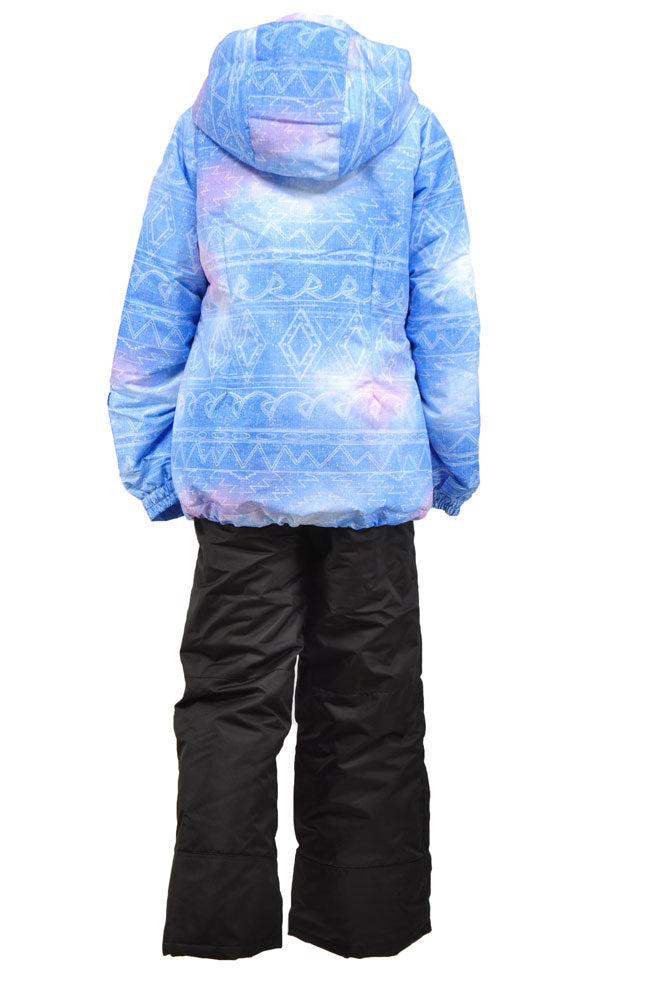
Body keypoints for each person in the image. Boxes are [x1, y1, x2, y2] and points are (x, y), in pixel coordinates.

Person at [108, 11, 480, 960]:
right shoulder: (411, 129)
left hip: (239, 460)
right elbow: (443, 307)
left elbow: (159, 296)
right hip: (371, 459)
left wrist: (149, 459)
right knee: (373, 706)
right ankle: (366, 930)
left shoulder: (203, 127)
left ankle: (219, 939)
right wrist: (451, 456)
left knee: (230, 703)